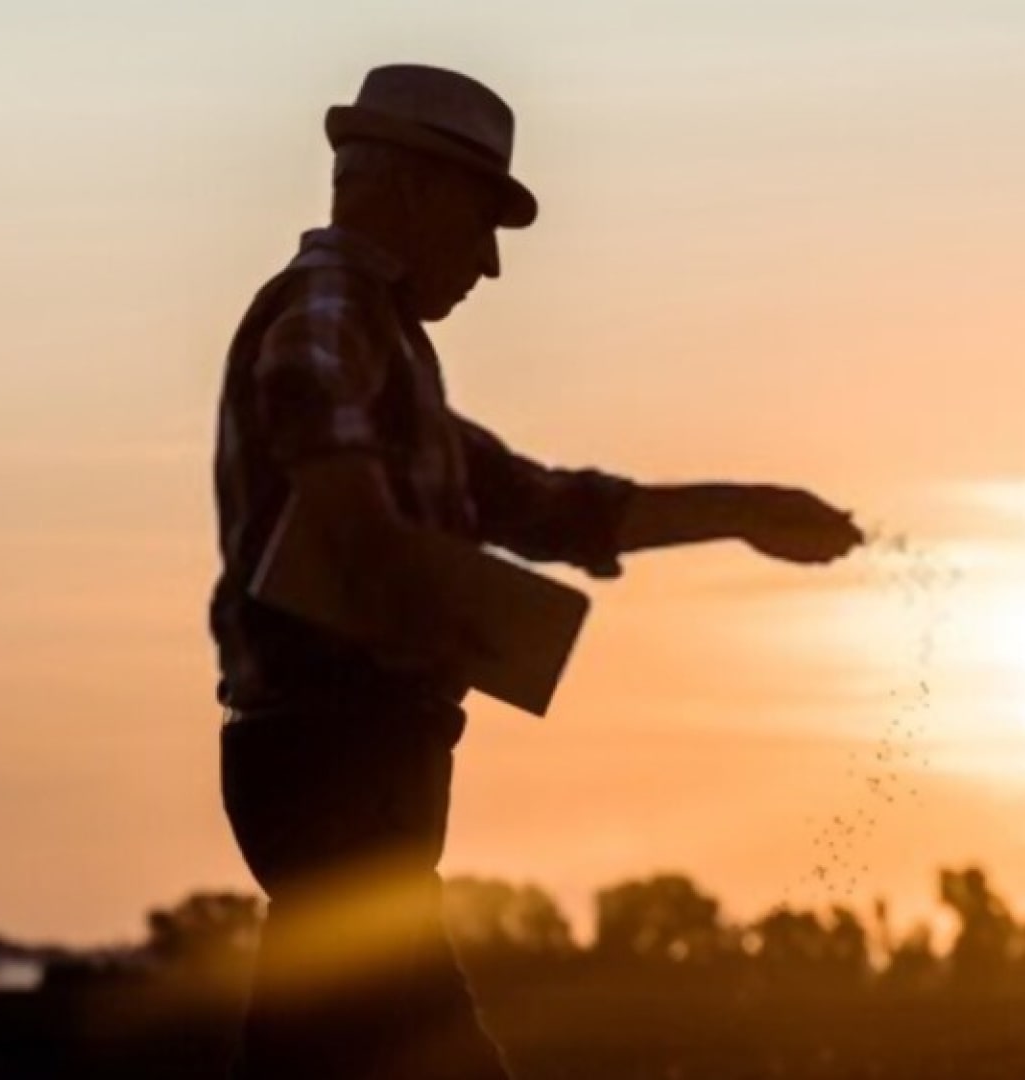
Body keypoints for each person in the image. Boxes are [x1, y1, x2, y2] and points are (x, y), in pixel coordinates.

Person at [208, 64, 864, 1079]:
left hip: (352, 773)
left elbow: (543, 504)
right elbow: (320, 434)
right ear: (413, 190)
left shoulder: (393, 359)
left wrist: (741, 514)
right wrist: (384, 558)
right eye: (483, 219)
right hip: (337, 766)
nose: (490, 264)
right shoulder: (331, 308)